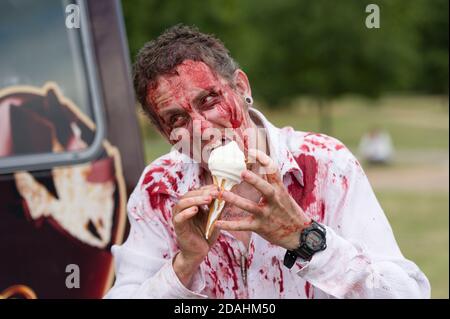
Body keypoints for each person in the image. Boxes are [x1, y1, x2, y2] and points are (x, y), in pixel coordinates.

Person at [105, 25, 430, 299]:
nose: (201, 130)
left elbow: (406, 292)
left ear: (242, 87)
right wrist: (185, 263)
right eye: (177, 119)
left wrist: (305, 239)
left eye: (208, 101)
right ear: (165, 133)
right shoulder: (159, 187)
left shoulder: (325, 164)